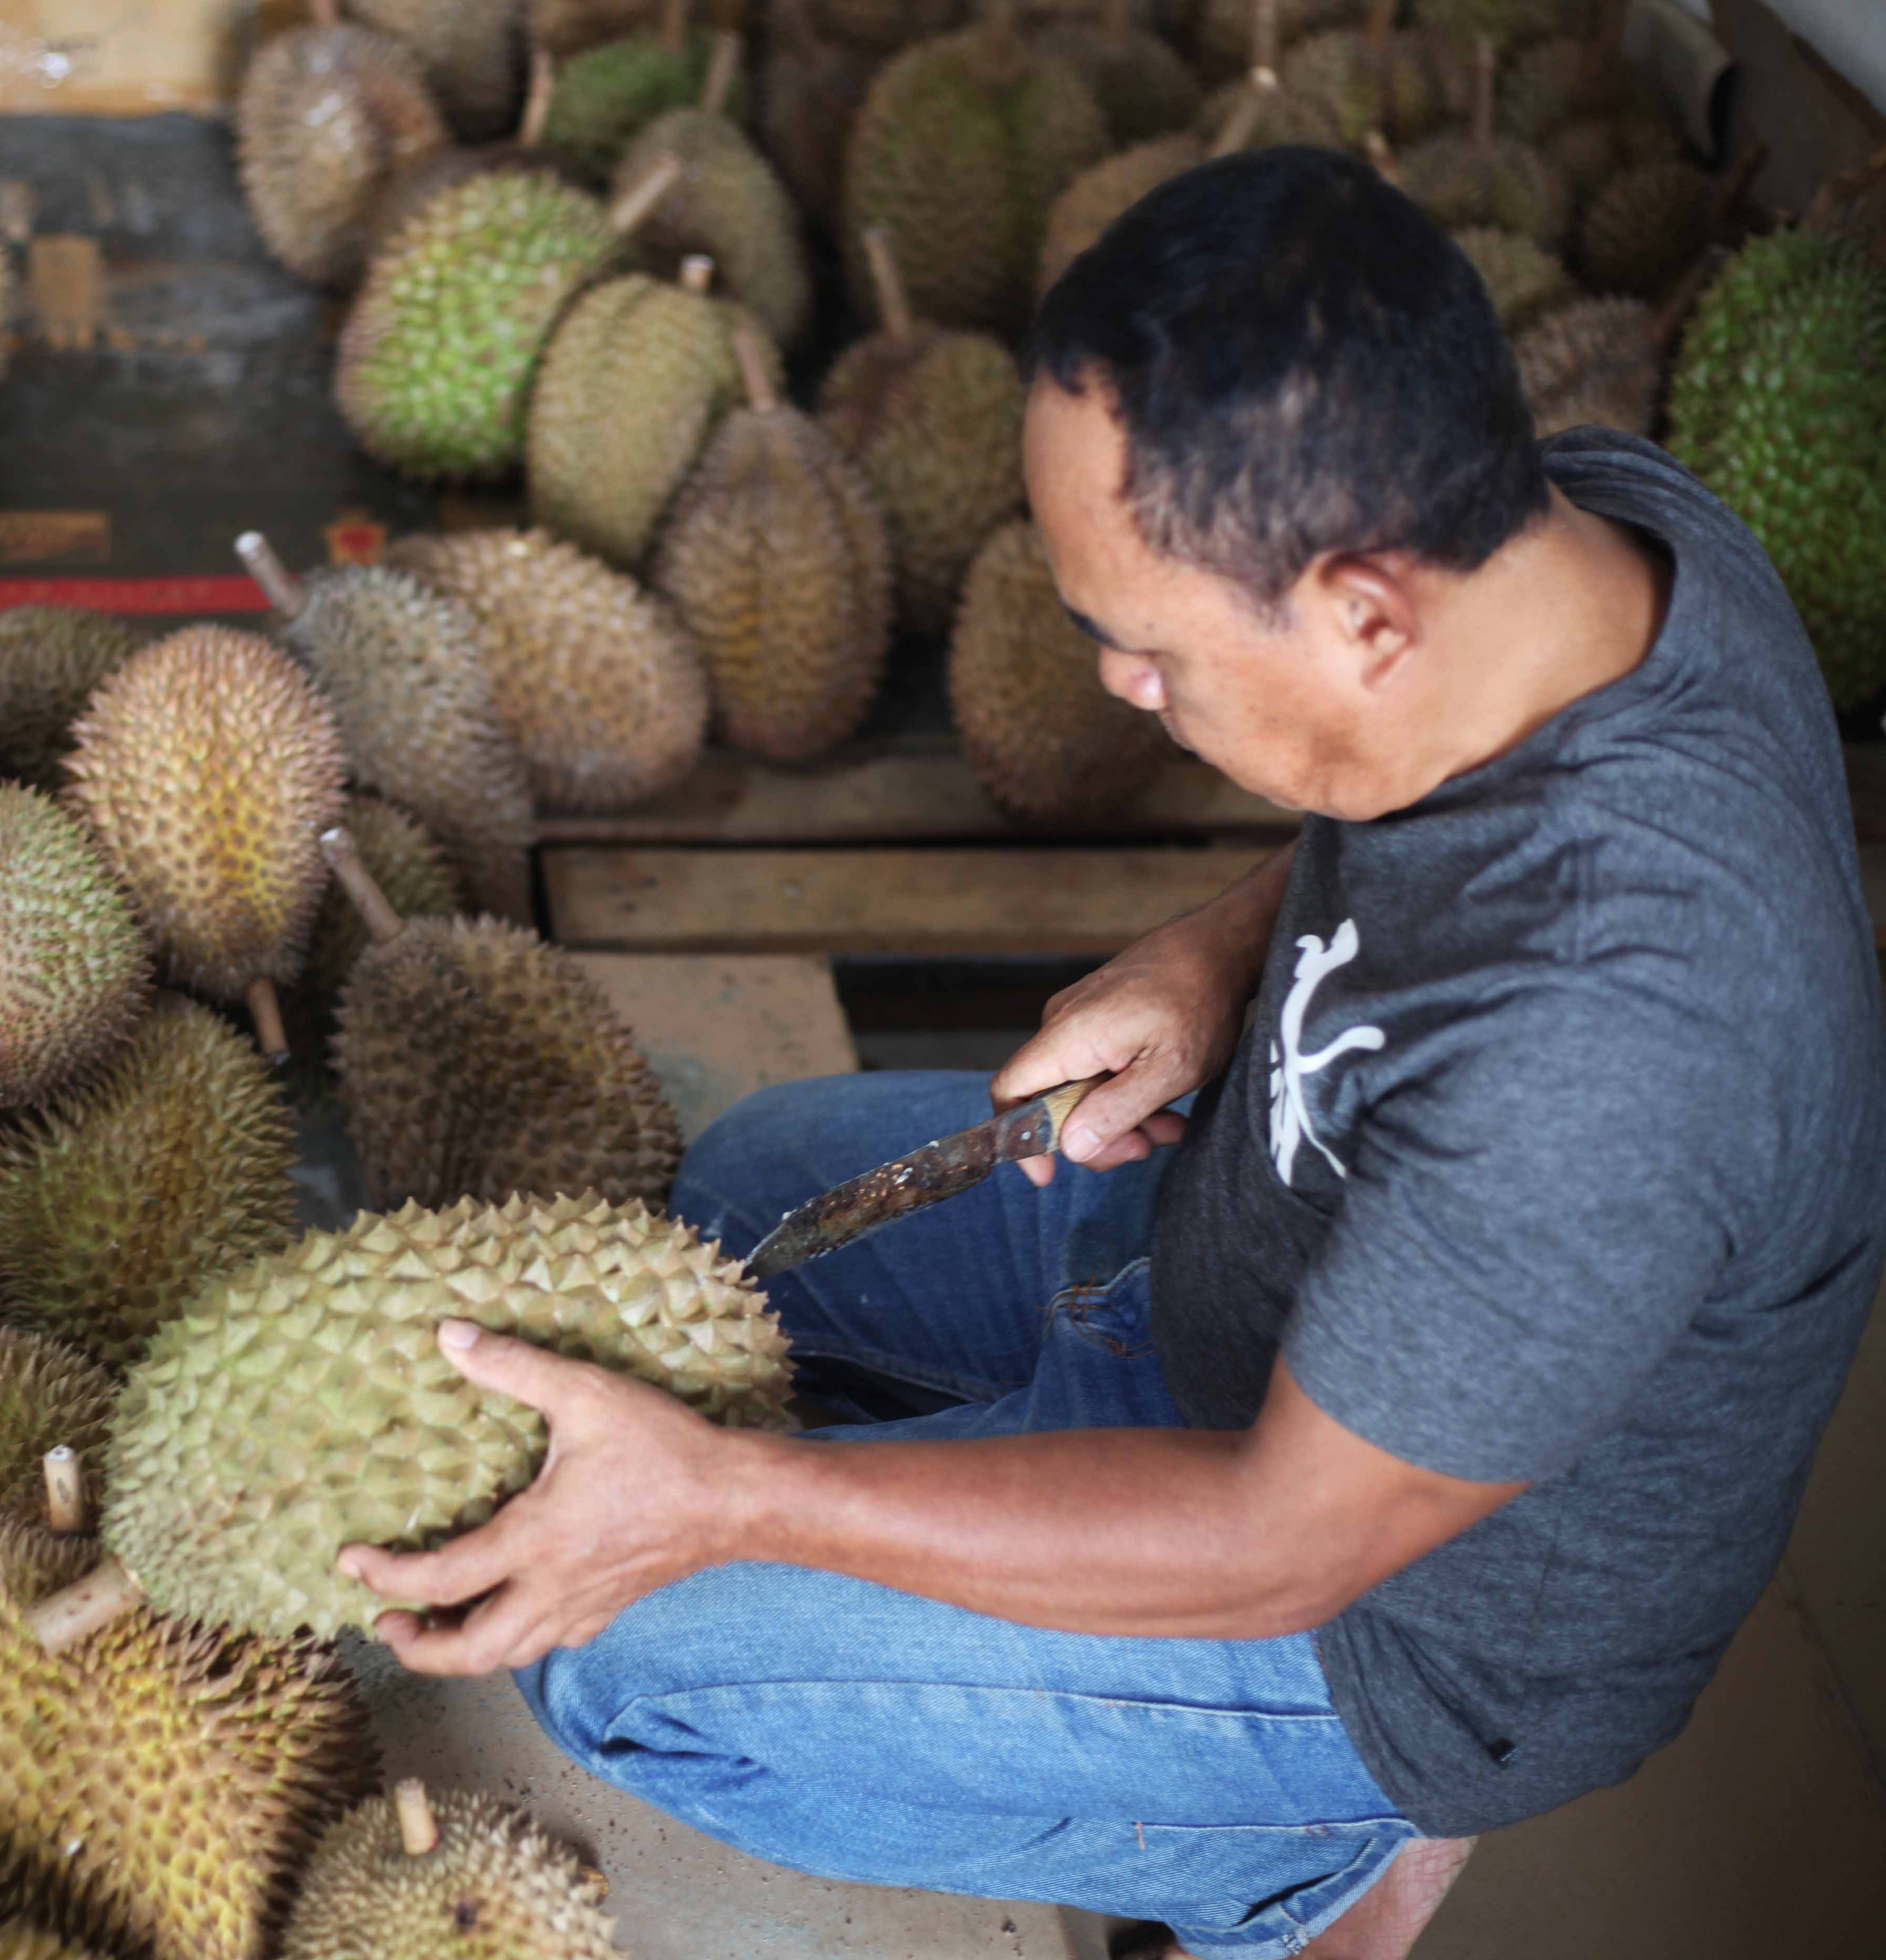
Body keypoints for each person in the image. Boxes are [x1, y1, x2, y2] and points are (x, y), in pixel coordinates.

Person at [335, 146, 1886, 1959]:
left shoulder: (1615, 1054)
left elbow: (1278, 1539)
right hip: (1239, 1255)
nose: (1118, 691)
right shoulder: (1600, 532)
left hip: (1391, 1623)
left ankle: (1310, 1866)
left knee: (621, 1660)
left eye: (1145, 650)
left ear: (1368, 609)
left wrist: (739, 1500)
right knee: (742, 1191)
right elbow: (1424, 812)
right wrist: (1217, 958)